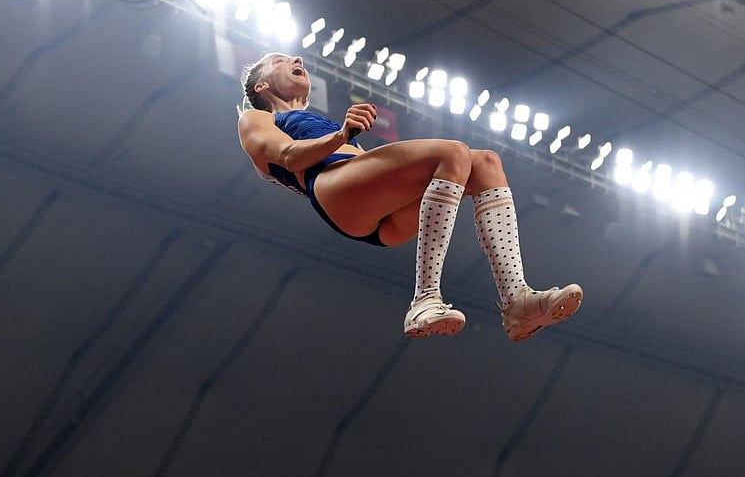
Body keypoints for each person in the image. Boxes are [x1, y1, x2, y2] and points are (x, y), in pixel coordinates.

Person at [236, 52, 583, 341]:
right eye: (280, 60)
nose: (296, 58)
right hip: (334, 190)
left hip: (379, 217)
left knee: (486, 163)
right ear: (262, 85)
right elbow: (287, 156)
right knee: (454, 153)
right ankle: (425, 298)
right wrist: (341, 136)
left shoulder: (312, 117)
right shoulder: (257, 118)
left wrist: (343, 138)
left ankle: (518, 301)